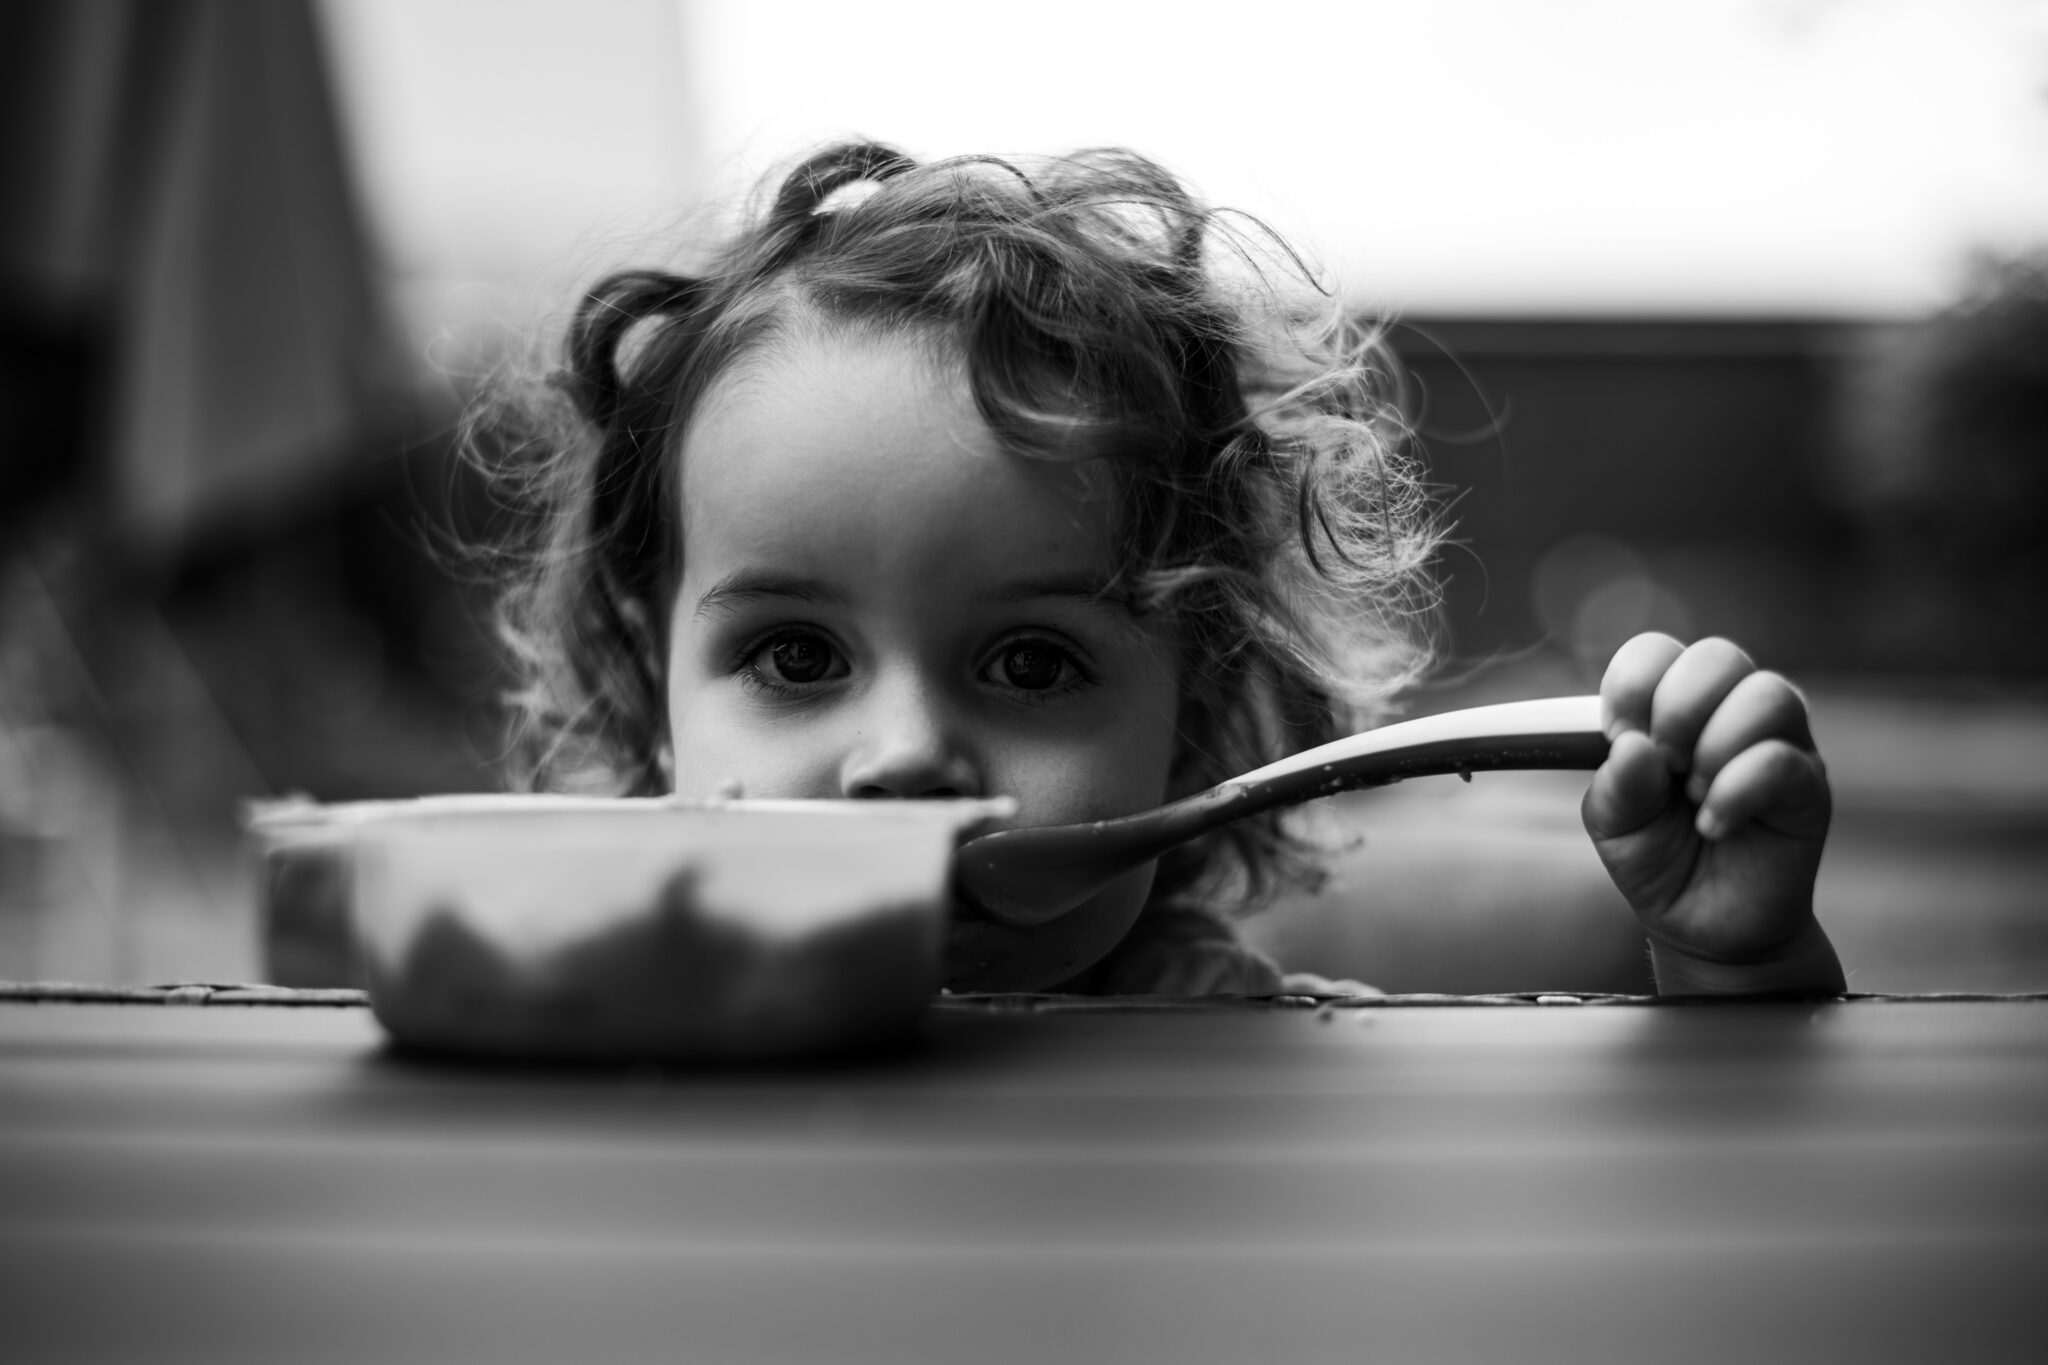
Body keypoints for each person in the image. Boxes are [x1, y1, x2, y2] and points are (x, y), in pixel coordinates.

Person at [470, 141, 1844, 998]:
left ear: (1189, 721)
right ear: (657, 678)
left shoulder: (1270, 1078)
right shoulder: (575, 1018)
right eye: (795, 656)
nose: (899, 758)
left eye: (1031, 662)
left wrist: (1734, 959)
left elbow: (1707, 1211)